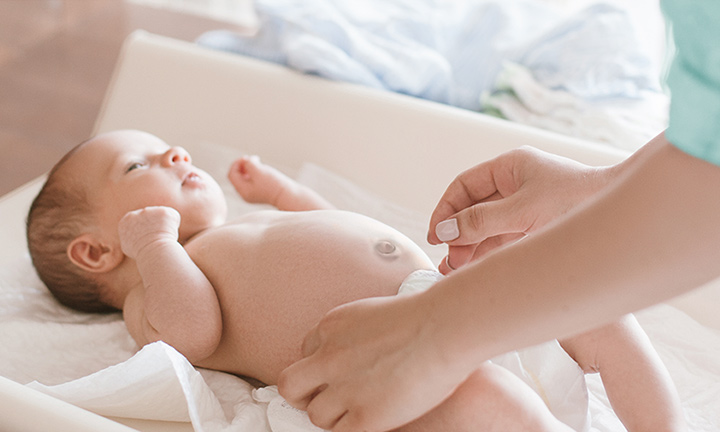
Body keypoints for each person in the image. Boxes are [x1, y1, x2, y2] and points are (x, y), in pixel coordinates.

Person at [26, 130, 683, 431]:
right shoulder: (152, 289)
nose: (177, 153)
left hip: (454, 311)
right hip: (380, 367)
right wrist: (157, 246)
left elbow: (329, 228)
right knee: (484, 400)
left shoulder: (240, 228)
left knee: (596, 305)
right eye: (138, 164)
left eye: (171, 147)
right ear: (95, 253)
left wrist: (285, 195)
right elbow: (192, 334)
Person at [277, 1, 720, 431]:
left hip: (449, 336)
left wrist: (282, 193)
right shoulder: (215, 246)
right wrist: (601, 185)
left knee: (595, 322)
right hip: (451, 343)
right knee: (514, 375)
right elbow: (708, 133)